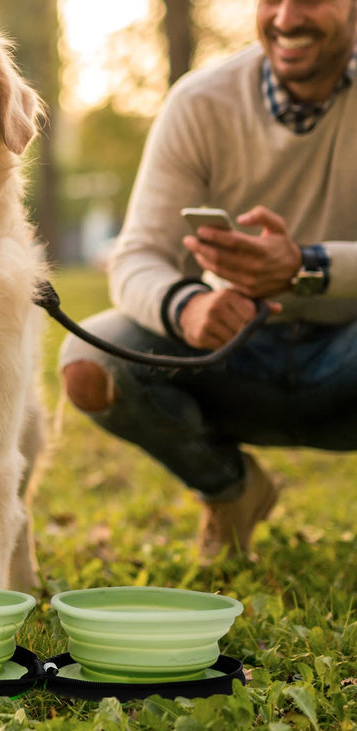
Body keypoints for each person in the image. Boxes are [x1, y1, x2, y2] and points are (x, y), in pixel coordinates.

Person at [60, 0, 357, 560]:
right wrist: (188, 307)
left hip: (348, 357)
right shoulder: (200, 102)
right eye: (272, 0)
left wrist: (306, 266)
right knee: (91, 364)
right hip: (235, 355)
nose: (287, 18)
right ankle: (232, 490)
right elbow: (137, 255)